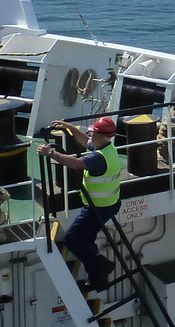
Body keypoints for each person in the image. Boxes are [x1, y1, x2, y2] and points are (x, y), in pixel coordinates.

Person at [39, 116, 123, 290]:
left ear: (99, 136)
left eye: (92, 132)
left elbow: (76, 164)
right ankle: (98, 280)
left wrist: (51, 153)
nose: (90, 134)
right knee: (86, 241)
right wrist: (69, 127)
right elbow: (85, 142)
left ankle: (103, 264)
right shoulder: (108, 149)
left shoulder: (98, 158)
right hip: (108, 205)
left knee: (72, 240)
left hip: (97, 209)